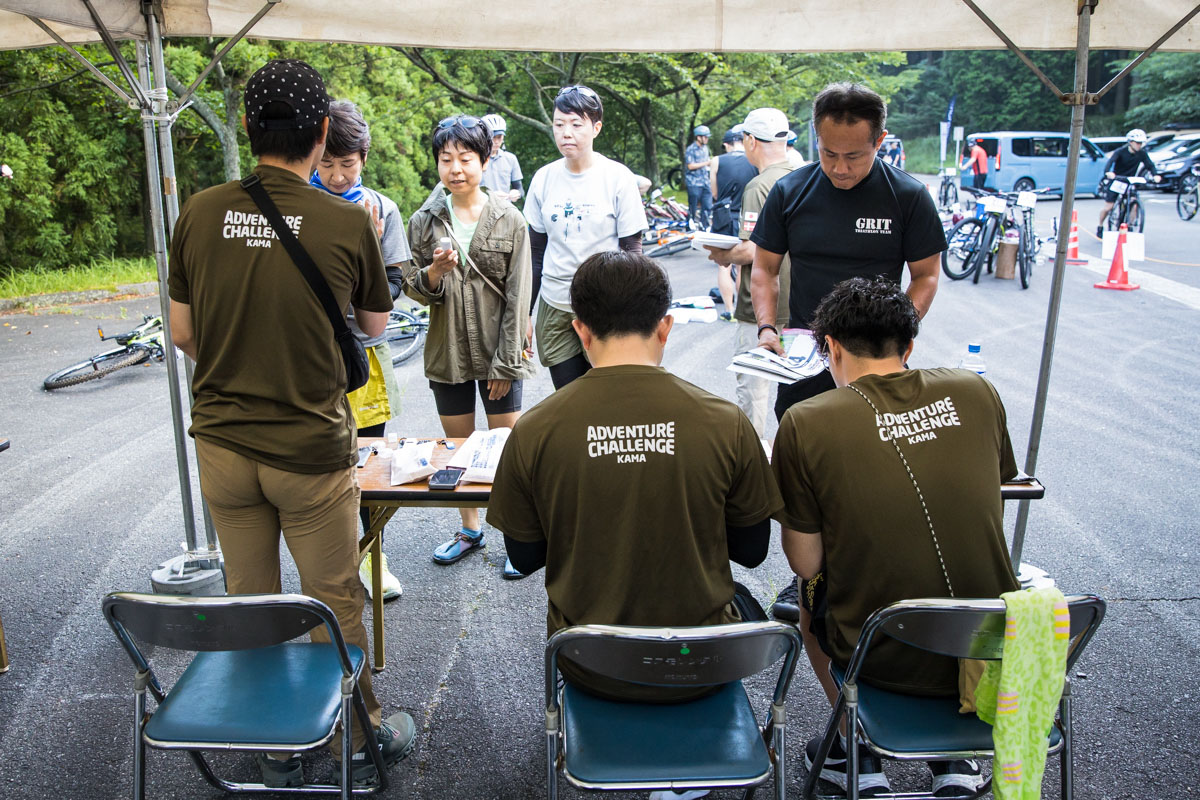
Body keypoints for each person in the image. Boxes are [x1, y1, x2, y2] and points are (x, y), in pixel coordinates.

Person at [167, 58, 413, 788]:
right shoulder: (347, 219)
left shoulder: (200, 211)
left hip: (222, 443)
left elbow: (182, 332)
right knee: (333, 596)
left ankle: (274, 744)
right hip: (308, 449)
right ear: (323, 131)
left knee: (251, 601)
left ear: (248, 125)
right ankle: (358, 736)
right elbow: (375, 324)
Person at [487, 250, 782, 721]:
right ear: (665, 327)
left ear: (580, 330)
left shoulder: (536, 429)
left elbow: (523, 557)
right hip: (703, 660)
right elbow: (752, 551)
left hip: (589, 661)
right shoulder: (725, 421)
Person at [772, 277, 1019, 798]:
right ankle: (954, 759)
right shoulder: (975, 390)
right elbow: (990, 496)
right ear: (908, 347)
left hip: (880, 653)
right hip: (991, 646)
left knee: (807, 598)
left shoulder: (806, 421)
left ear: (831, 348)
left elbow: (806, 562)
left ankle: (855, 745)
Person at [747, 82, 944, 622]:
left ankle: (874, 574)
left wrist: (897, 334)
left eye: (854, 156)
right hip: (807, 356)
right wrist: (767, 327)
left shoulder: (907, 196)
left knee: (875, 472)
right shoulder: (791, 191)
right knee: (804, 476)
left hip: (878, 360)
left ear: (880, 140)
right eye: (828, 152)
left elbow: (926, 276)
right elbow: (763, 269)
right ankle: (806, 580)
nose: (839, 167)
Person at [405, 114, 535, 579]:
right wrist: (434, 272)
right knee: (459, 449)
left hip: (499, 351)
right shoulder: (424, 221)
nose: (455, 169)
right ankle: (470, 528)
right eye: (446, 159)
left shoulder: (509, 218)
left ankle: (518, 537)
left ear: (484, 160)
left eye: (465, 158)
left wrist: (506, 362)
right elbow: (413, 288)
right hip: (448, 352)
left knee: (506, 451)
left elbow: (519, 296)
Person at [311, 98, 410, 602]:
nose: (335, 176)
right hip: (310, 352)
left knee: (370, 461)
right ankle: (330, 562)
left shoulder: (382, 210)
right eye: (326, 163)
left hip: (366, 351)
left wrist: (366, 247)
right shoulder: (297, 207)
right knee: (320, 463)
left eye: (346, 164)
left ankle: (374, 557)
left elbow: (392, 286)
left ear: (364, 159)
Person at [524, 84, 648, 390]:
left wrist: (634, 312)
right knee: (570, 396)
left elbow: (632, 250)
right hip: (555, 305)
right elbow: (535, 253)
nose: (566, 133)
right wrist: (524, 313)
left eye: (576, 124)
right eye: (559, 124)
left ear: (596, 128)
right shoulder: (543, 178)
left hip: (604, 306)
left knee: (608, 395)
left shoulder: (617, 177)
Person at [703, 107, 795, 438]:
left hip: (759, 310)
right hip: (798, 305)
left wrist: (722, 254)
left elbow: (753, 249)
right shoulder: (805, 175)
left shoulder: (759, 186)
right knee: (796, 390)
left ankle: (754, 459)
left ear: (750, 141)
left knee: (753, 394)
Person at [709, 125, 758, 319]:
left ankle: (728, 310)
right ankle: (741, 310)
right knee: (742, 265)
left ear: (726, 144)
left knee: (724, 265)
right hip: (746, 215)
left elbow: (714, 193)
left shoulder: (717, 161)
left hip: (723, 216)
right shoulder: (752, 160)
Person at [1096, 128, 1162, 236]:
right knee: (1108, 207)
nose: (1139, 145)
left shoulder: (1142, 154)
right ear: (1130, 142)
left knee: (1134, 203)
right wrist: (1108, 173)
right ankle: (1100, 225)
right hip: (1118, 180)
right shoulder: (1120, 152)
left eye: (1141, 143)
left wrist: (1155, 175)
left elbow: (1150, 165)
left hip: (1130, 181)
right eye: (1137, 143)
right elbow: (1110, 162)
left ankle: (1129, 225)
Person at [479, 113, 524, 202]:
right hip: (481, 207)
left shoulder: (510, 158)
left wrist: (517, 193)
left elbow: (520, 188)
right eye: (492, 137)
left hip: (505, 207)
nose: (496, 141)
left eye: (499, 137)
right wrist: (489, 195)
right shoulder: (475, 159)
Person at [684, 124, 713, 230]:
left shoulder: (705, 148)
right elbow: (690, 166)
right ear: (699, 137)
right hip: (694, 183)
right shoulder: (691, 149)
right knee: (693, 207)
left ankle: (704, 227)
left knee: (707, 206)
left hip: (705, 182)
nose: (707, 139)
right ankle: (690, 227)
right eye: (705, 137)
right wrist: (707, 163)